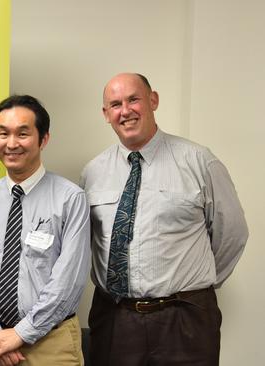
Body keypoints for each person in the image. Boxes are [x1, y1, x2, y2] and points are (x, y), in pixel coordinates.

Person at [80, 73, 249, 365]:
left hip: (185, 319)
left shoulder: (198, 161)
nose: (126, 110)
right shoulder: (92, 172)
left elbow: (232, 233)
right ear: (106, 114)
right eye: (116, 104)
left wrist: (196, 286)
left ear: (153, 100)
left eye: (134, 99)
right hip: (114, 318)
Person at [0, 95, 91, 366]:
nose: (11, 143)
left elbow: (68, 281)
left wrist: (22, 333)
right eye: (3, 133)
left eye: (23, 133)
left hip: (51, 343)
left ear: (43, 139)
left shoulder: (70, 198)